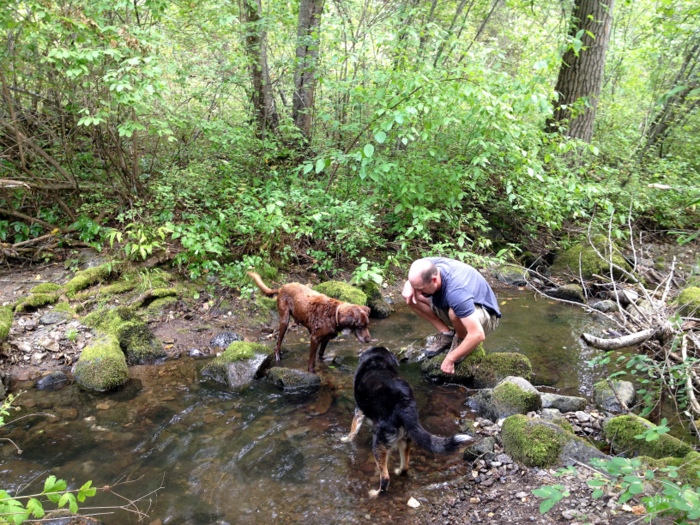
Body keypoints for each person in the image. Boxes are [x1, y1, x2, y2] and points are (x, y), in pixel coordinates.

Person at [402, 257, 501, 374]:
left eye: (421, 289)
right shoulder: (429, 265)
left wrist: (450, 358)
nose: (419, 292)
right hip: (456, 305)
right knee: (411, 297)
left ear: (434, 280)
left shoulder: (456, 291)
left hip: (486, 317)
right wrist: (408, 286)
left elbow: (478, 335)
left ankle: (461, 338)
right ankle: (447, 334)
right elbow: (416, 272)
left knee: (455, 313)